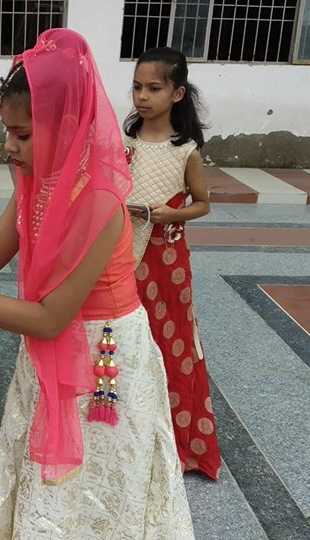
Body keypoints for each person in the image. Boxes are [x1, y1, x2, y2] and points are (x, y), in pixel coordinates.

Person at [0, 29, 194, 538]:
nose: (9, 147)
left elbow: (50, 318)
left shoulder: (98, 200)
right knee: (45, 478)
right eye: (6, 131)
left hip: (102, 358)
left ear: (68, 124)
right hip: (49, 353)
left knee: (95, 485)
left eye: (23, 135)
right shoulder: (39, 182)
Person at [124, 46, 220, 481]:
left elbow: (203, 204)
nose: (142, 97)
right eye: (137, 87)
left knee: (172, 344)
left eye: (154, 88)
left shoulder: (187, 152)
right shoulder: (124, 144)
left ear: (177, 93)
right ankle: (126, 434)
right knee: (123, 339)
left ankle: (178, 444)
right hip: (123, 253)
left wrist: (172, 214)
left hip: (166, 261)